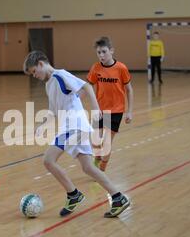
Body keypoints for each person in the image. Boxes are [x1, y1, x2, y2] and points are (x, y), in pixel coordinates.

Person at [23, 50, 130, 218]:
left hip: (75, 126)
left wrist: (95, 109)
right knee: (88, 167)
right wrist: (42, 125)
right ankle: (118, 198)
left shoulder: (60, 75)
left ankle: (73, 195)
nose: (34, 75)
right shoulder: (48, 84)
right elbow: (53, 111)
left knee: (48, 160)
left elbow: (86, 86)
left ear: (41, 64)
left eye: (34, 71)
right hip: (70, 127)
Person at [87, 36, 133, 172]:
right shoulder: (95, 68)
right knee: (95, 140)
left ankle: (101, 169)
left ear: (111, 51)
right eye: (98, 52)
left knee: (106, 142)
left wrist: (129, 111)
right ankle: (97, 158)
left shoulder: (121, 68)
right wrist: (75, 97)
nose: (101, 55)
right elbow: (88, 87)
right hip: (100, 110)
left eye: (104, 51)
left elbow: (129, 90)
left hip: (116, 111)